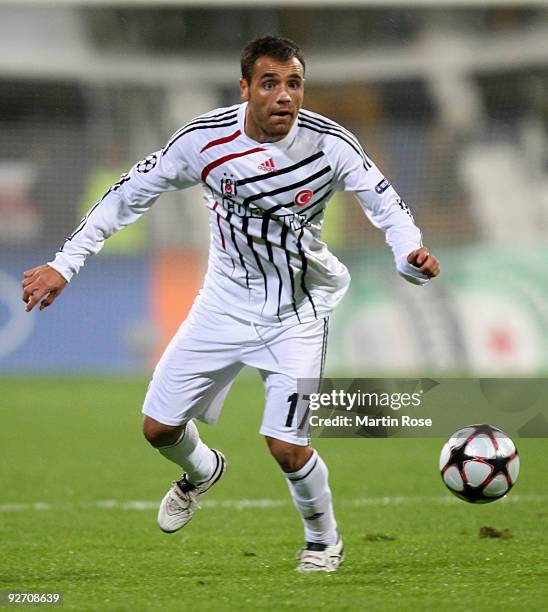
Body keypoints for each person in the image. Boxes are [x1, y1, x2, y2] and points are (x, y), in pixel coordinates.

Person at [21, 36, 440, 573]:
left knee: (285, 446)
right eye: (270, 84)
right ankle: (202, 471)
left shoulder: (330, 145)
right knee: (157, 430)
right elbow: (127, 194)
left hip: (298, 310)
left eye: (294, 84)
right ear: (245, 89)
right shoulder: (204, 141)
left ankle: (322, 540)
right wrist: (66, 262)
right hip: (221, 306)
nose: (284, 96)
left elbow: (386, 203)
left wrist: (409, 254)